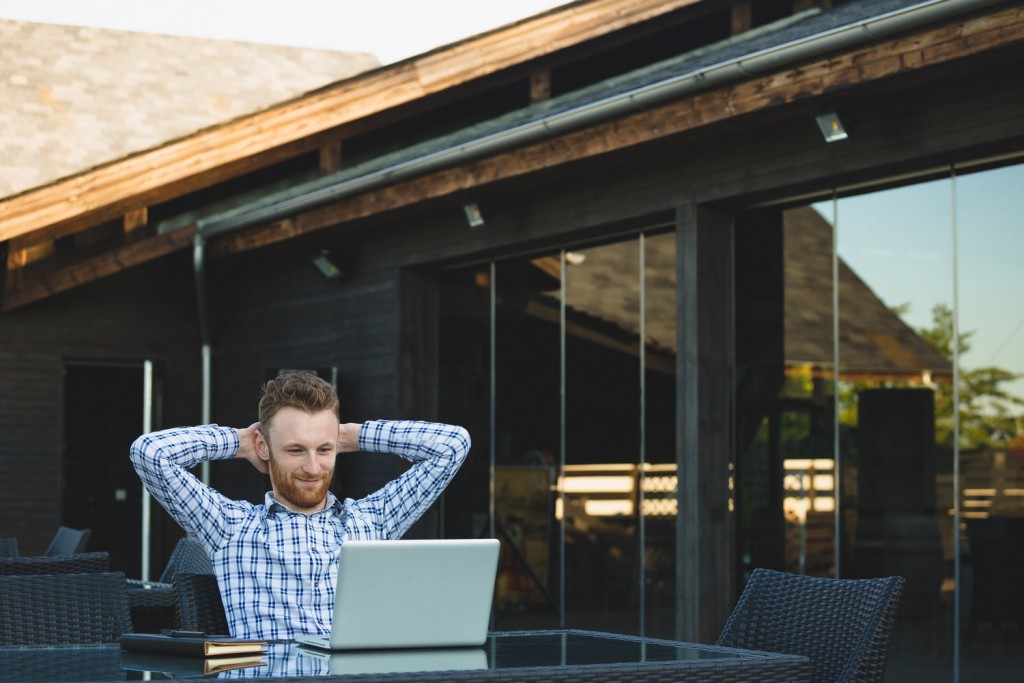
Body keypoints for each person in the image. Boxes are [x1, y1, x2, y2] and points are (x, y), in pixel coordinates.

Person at [130, 372, 470, 640]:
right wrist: (240, 442)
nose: (313, 467)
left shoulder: (372, 520)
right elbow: (150, 454)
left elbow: (453, 445)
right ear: (265, 447)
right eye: (295, 450)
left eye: (324, 449)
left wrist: (353, 435)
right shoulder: (229, 525)